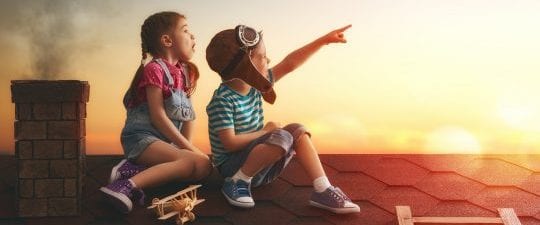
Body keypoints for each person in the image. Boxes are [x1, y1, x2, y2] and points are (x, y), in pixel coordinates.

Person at [205, 24, 359, 213]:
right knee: (282, 136)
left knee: (297, 129)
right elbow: (229, 143)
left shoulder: (256, 85)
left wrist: (323, 41)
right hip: (232, 169)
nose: (268, 59)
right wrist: (265, 132)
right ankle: (237, 182)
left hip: (261, 169)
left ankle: (322, 188)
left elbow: (289, 63)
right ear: (247, 66)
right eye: (262, 57)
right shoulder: (222, 100)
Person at [99, 11, 211, 213]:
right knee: (193, 160)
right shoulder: (154, 69)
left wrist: (188, 150)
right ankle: (125, 186)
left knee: (203, 167)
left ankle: (132, 171)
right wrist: (189, 151)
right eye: (186, 30)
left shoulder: (186, 73)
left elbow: (188, 118)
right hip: (142, 140)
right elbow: (158, 116)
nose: (193, 36)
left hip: (166, 144)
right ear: (167, 40)